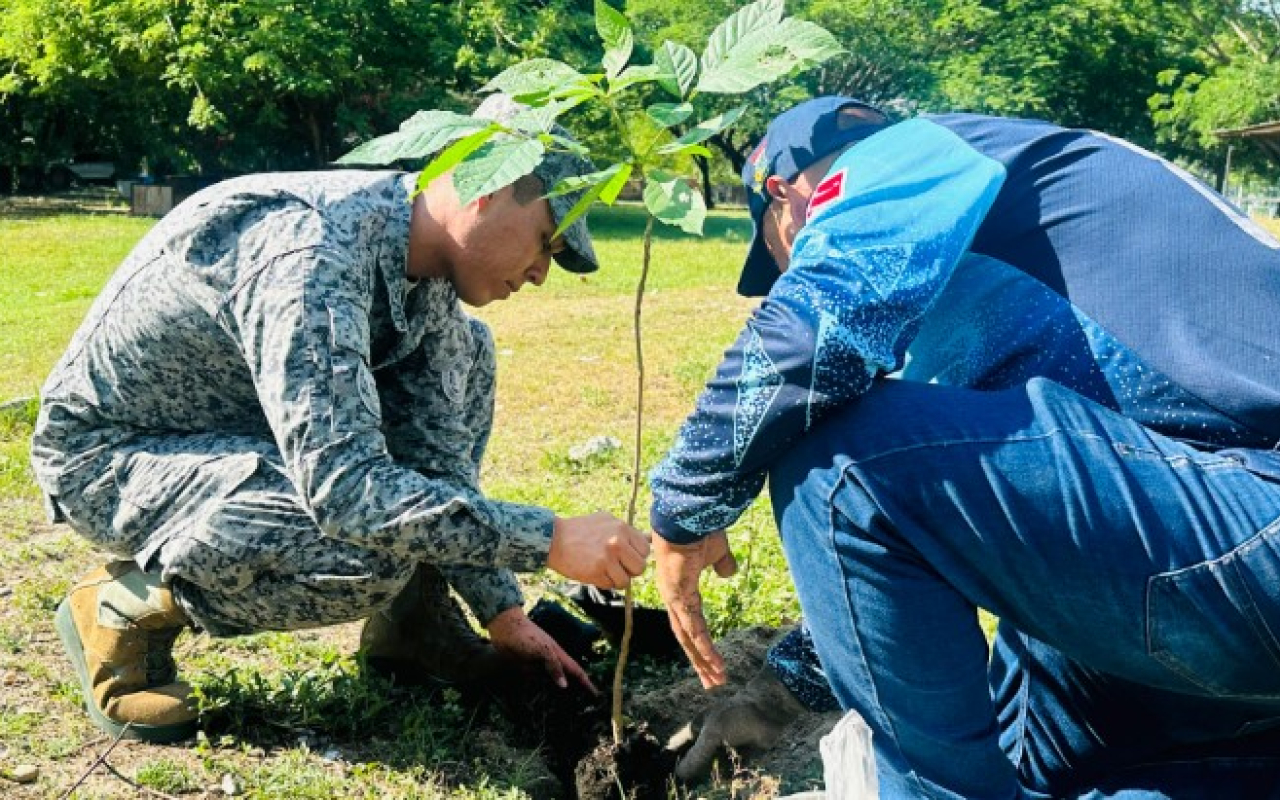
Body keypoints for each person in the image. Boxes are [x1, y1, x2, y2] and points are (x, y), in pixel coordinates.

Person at [649, 95, 1280, 798]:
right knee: (1040, 753)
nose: (794, 266)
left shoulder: (913, 152)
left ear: (788, 199)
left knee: (838, 460)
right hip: (1230, 544)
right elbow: (967, 521)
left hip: (1253, 525)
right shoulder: (1027, 233)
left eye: (780, 256)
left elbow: (813, 334)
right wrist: (776, 696)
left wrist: (684, 508)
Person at [30, 95, 650, 744]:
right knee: (363, 548)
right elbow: (346, 494)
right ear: (487, 188)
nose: (543, 272)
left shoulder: (426, 268)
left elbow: (434, 462)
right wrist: (548, 539)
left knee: (469, 354)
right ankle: (123, 608)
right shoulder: (313, 253)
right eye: (546, 240)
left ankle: (414, 624)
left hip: (238, 442)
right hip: (113, 458)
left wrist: (501, 610)